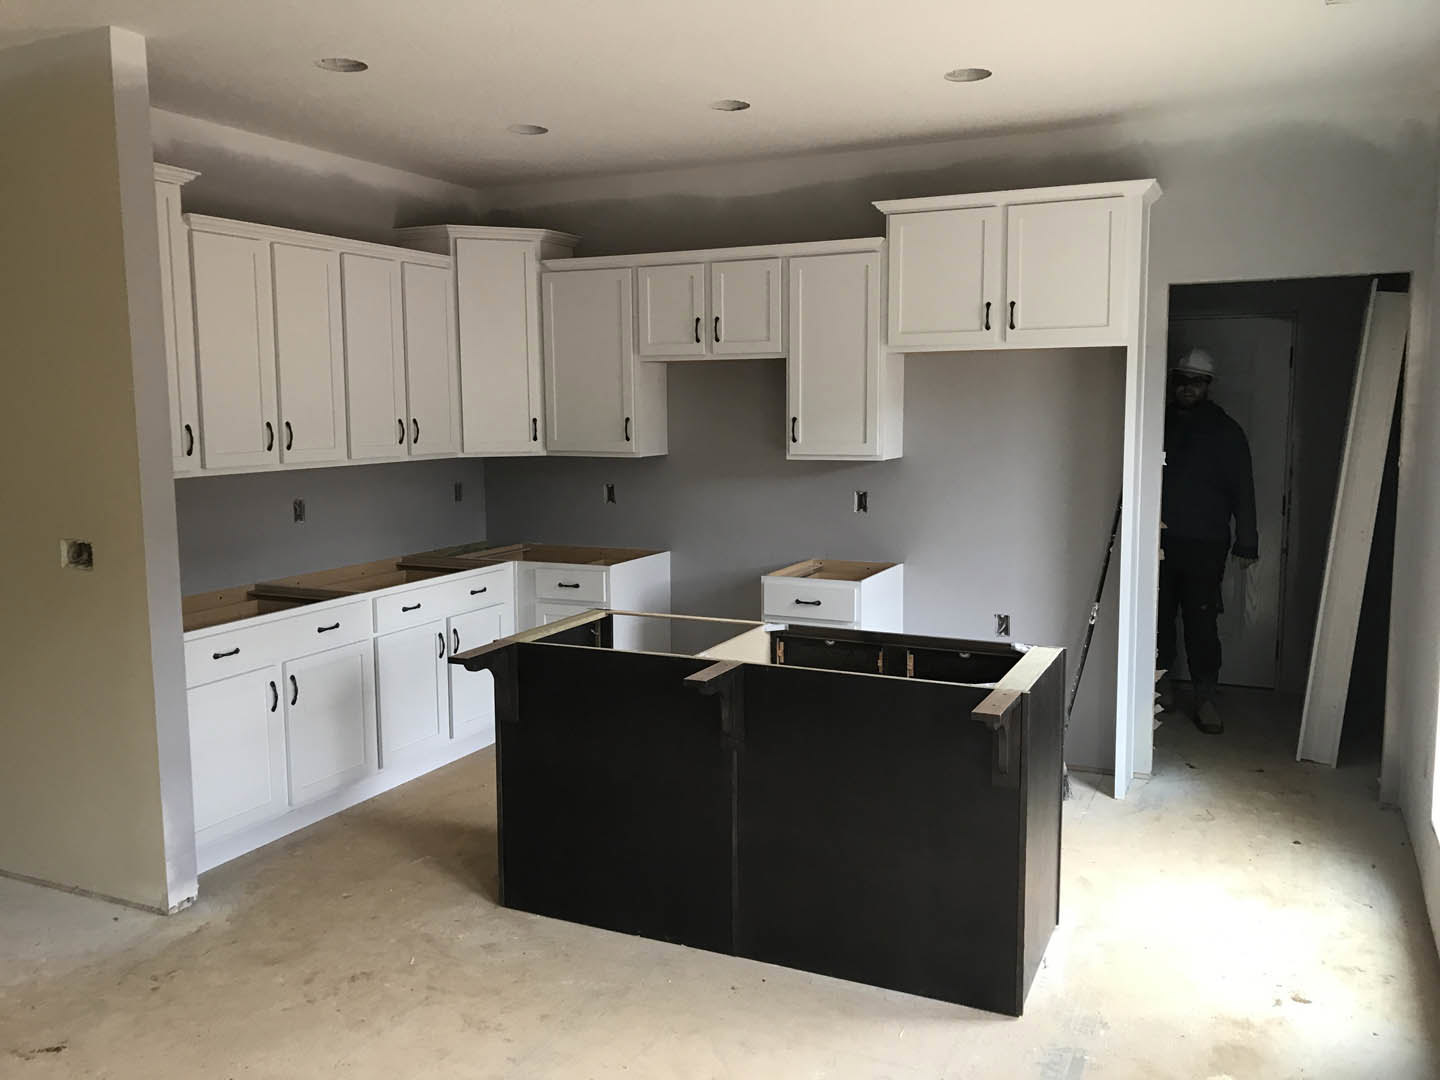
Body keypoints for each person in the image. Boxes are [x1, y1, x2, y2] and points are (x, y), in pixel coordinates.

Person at [1158, 348, 1258, 735]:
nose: (1187, 388)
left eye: (1196, 382)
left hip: (1206, 544)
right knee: (1158, 618)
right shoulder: (1155, 421)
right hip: (1160, 540)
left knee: (1201, 621)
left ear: (1207, 385)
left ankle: (1205, 695)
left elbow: (1243, 489)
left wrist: (1246, 543)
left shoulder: (1225, 431)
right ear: (1173, 381)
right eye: (1181, 380)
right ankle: (1158, 685)